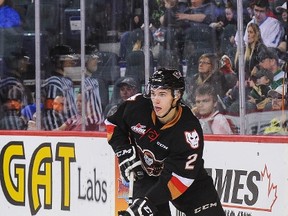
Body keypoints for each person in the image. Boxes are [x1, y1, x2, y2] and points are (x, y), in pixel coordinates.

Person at [105, 68, 225, 216]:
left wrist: (146, 202)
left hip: (187, 182)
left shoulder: (188, 131)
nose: (155, 100)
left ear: (177, 95)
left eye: (162, 94)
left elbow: (179, 180)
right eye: (153, 93)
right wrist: (124, 153)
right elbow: (113, 124)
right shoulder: (137, 106)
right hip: (146, 176)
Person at [41, 44, 78, 130]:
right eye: (69, 58)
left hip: (71, 131)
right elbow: (51, 113)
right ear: (58, 61)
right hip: (60, 134)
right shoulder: (54, 82)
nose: (73, 61)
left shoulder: (67, 81)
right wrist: (55, 133)